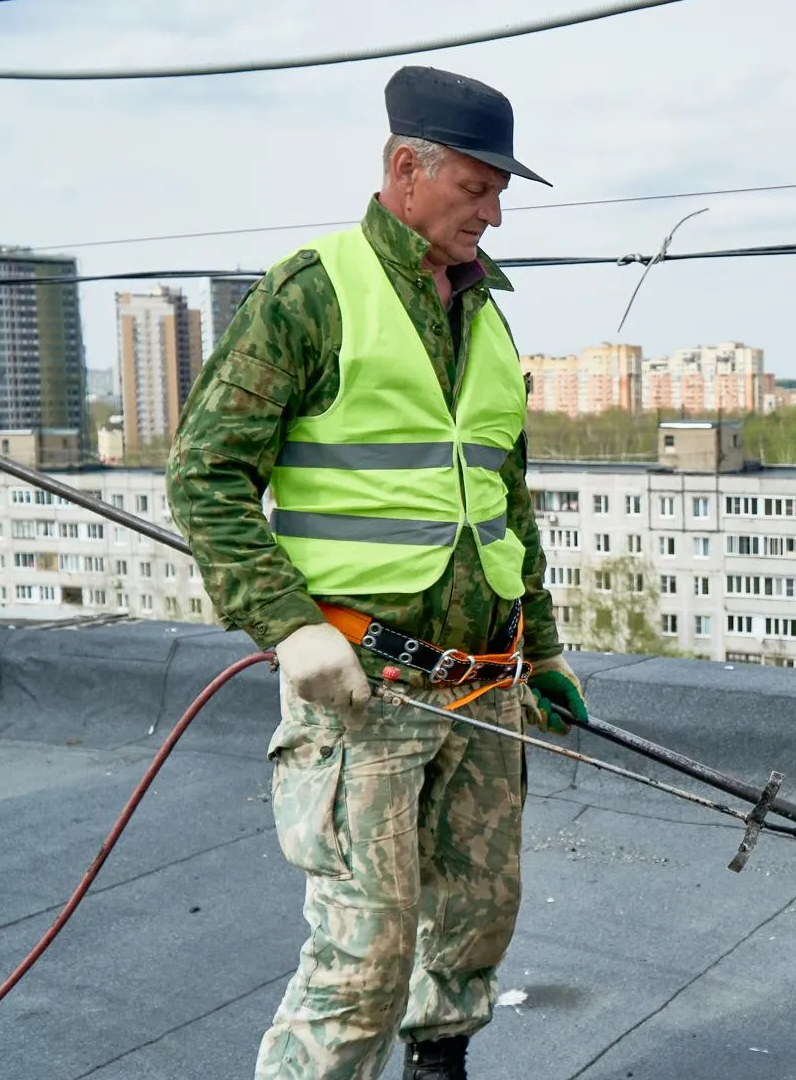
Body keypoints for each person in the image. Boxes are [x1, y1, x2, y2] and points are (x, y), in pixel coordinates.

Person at [168, 65, 588, 1080]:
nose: (492, 212)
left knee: (477, 916)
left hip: (487, 683)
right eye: (476, 188)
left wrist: (546, 648)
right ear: (406, 168)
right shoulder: (316, 293)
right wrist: (289, 626)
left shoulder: (486, 314)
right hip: (369, 686)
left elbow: (503, 503)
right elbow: (204, 473)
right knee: (363, 958)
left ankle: (439, 1064)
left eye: (500, 193)